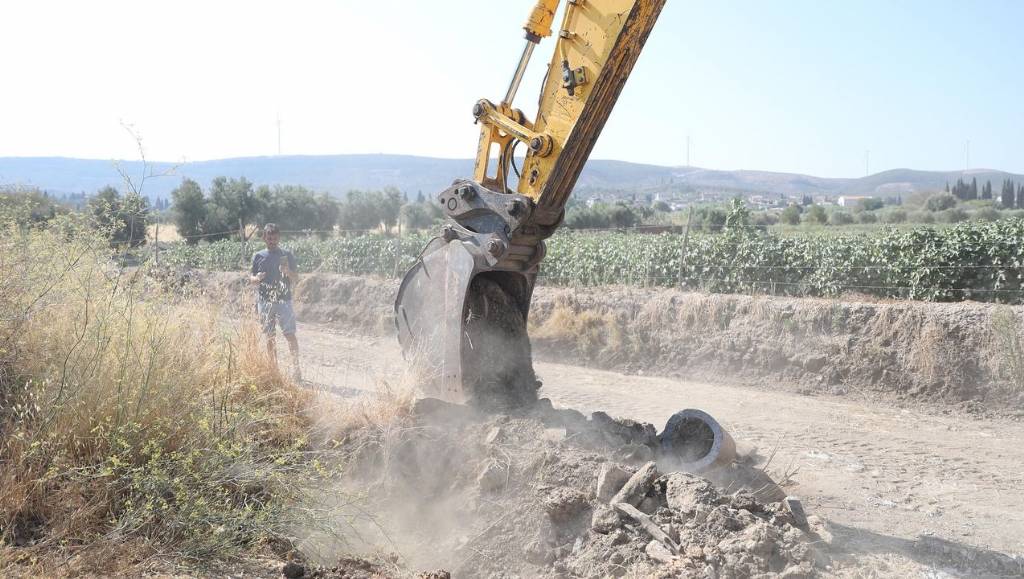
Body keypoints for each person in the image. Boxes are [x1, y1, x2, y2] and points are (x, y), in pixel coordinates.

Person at [250, 223, 301, 380]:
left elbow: (296, 278)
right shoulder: (258, 256)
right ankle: (274, 370)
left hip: (284, 301)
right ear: (264, 238)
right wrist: (256, 278)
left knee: (289, 335)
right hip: (265, 301)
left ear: (279, 238)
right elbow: (251, 278)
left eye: (275, 238)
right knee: (270, 337)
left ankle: (296, 369)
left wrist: (288, 272)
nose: (272, 241)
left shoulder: (287, 255)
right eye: (269, 238)